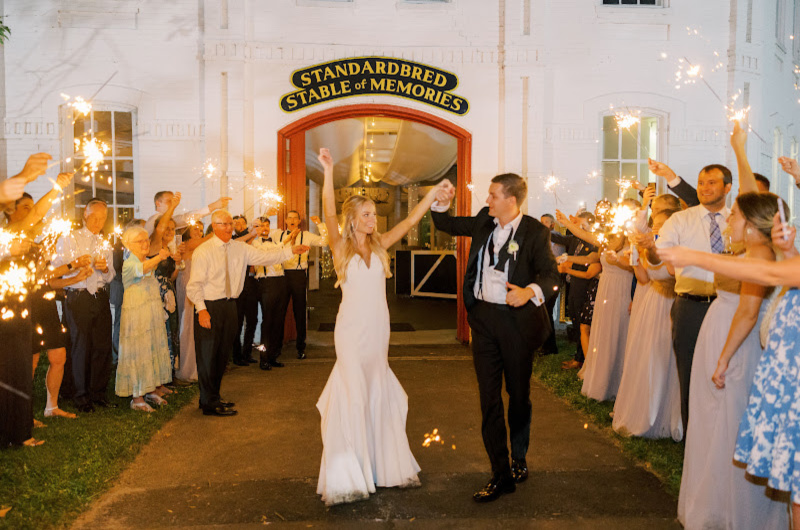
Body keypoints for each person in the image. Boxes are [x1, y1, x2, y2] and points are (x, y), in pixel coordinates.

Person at [316, 148, 447, 506]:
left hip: (378, 331)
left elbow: (407, 224)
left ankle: (377, 468)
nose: (374, 219)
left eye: (374, 214)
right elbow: (329, 211)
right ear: (353, 219)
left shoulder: (381, 246)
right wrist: (328, 171)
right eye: (367, 214)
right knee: (354, 394)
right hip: (349, 332)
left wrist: (432, 195)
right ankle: (349, 471)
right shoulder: (340, 247)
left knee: (375, 391)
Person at [658, 212, 800, 527]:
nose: (728, 219)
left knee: (734, 423)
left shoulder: (762, 259)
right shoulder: (767, 253)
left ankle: (742, 511)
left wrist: (693, 256)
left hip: (774, 363)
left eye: (736, 214)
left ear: (751, 223)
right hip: (777, 365)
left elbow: (762, 277)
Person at [432, 170, 560, 503]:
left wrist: (529, 291)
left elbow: (550, 275)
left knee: (518, 396)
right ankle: (500, 473)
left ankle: (519, 458)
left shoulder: (535, 232)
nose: (486, 200)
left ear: (511, 199)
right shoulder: (484, 222)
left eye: (492, 195)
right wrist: (440, 205)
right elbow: (447, 225)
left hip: (517, 322)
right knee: (488, 399)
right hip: (484, 320)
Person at [186, 210, 309, 416]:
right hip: (209, 306)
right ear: (213, 226)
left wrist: (291, 251)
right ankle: (209, 402)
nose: (227, 227)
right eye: (223, 224)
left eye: (229, 224)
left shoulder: (240, 248)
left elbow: (267, 256)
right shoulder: (204, 251)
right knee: (208, 355)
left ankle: (212, 397)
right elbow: (194, 286)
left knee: (222, 355)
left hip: (230, 305)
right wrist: (201, 310)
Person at [643, 162, 733, 433]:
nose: (705, 188)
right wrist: (651, 249)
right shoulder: (680, 220)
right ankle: (694, 440)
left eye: (712, 183)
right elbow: (660, 252)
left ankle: (723, 435)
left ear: (727, 187)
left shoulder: (736, 220)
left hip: (729, 306)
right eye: (701, 183)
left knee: (727, 372)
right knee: (690, 374)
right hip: (690, 307)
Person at [612, 198, 683, 441]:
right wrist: (634, 259)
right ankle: (645, 411)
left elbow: (671, 279)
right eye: (656, 223)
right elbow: (643, 278)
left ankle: (666, 415)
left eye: (663, 224)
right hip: (652, 303)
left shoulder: (676, 247)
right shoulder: (647, 245)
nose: (657, 228)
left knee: (666, 358)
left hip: (671, 303)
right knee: (647, 356)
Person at [52, 198, 117, 413]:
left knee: (102, 345)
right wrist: (76, 268)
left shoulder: (104, 241)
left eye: (103, 218)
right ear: (85, 216)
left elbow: (111, 276)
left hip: (99, 296)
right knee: (81, 347)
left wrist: (106, 270)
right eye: (94, 216)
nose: (99, 221)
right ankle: (80, 395)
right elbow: (57, 269)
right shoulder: (70, 238)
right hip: (78, 296)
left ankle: (98, 393)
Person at [115, 227, 174, 412]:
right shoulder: (129, 263)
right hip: (136, 315)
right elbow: (142, 270)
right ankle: (137, 397)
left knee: (153, 347)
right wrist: (159, 257)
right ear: (129, 245)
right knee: (139, 351)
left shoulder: (148, 261)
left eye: (146, 240)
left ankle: (151, 389)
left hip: (151, 311)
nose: (145, 244)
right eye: (140, 241)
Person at [270, 210, 328, 359]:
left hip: (298, 275)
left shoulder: (306, 236)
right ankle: (276, 348)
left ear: (299, 221)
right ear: (285, 221)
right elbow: (260, 231)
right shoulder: (278, 234)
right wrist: (267, 214)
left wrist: (320, 224)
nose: (292, 220)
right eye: (289, 218)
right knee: (279, 311)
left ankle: (300, 348)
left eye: (295, 218)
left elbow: (325, 241)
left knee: (300, 312)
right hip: (282, 275)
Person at [176, 222, 211, 383]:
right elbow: (211, 237)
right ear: (188, 231)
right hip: (187, 285)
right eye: (195, 229)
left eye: (201, 229)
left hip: (200, 287)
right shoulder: (189, 244)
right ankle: (188, 368)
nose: (199, 232)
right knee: (188, 325)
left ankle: (199, 364)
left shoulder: (202, 245)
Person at [252, 217, 289, 370]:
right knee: (267, 321)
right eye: (261, 226)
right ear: (257, 228)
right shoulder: (255, 244)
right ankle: (264, 358)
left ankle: (274, 355)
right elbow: (268, 255)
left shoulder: (274, 242)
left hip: (280, 281)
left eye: (267, 225)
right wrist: (286, 243)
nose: (265, 228)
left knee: (279, 321)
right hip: (266, 283)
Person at [144, 191, 230, 235]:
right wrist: (214, 206)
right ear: (158, 203)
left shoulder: (171, 220)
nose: (173, 204)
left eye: (174, 201)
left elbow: (187, 218)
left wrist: (214, 206)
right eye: (169, 201)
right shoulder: (154, 219)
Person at [539, 213, 562, 356]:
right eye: (541, 222)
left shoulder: (557, 238)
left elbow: (555, 259)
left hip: (552, 280)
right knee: (542, 312)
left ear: (552, 224)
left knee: (546, 311)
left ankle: (550, 347)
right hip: (542, 280)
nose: (543, 224)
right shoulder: (541, 237)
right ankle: (545, 344)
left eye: (546, 222)